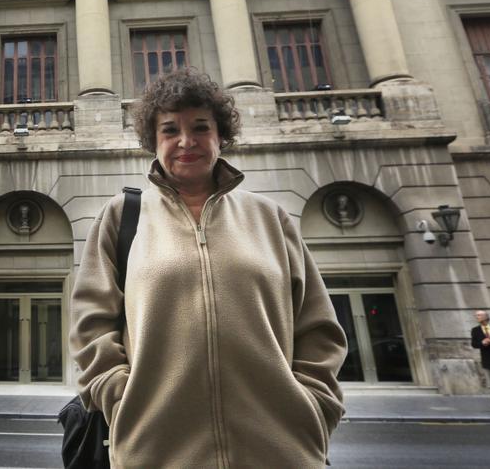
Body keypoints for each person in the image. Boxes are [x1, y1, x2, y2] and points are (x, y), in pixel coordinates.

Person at [69, 68, 346, 469]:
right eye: (169, 130)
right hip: (154, 451)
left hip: (281, 450)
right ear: (153, 141)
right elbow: (90, 326)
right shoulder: (122, 217)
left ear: (221, 136)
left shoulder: (270, 217)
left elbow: (317, 326)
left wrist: (315, 406)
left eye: (200, 127)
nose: (186, 141)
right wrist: (120, 398)